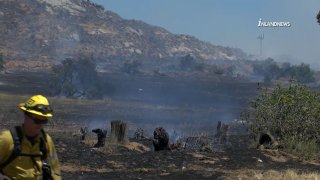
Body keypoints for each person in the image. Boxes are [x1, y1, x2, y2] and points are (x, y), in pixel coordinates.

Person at [0, 95, 61, 179]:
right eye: (37, 120)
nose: (40, 125)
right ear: (26, 116)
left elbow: (55, 172)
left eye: (43, 121)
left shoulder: (46, 141)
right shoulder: (8, 139)